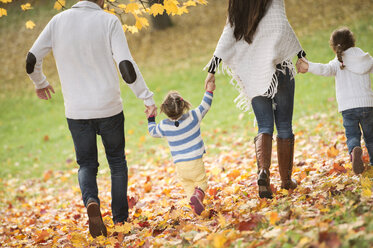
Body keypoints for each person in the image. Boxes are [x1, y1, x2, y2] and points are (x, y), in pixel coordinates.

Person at [26, 0, 157, 238]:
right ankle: (120, 221)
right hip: (109, 107)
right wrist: (146, 97)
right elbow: (126, 66)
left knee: (86, 164)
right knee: (117, 162)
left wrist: (40, 82)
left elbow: (32, 58)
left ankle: (91, 202)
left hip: (77, 111)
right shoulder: (108, 21)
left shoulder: (57, 22)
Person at [204, 0, 306, 199]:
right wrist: (300, 54)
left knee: (264, 125)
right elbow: (281, 25)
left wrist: (212, 69)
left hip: (253, 72)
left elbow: (227, 34)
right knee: (284, 125)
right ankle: (286, 181)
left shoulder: (237, 4)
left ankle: (263, 175)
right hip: (280, 68)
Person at [297, 27, 373, 174]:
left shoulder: (338, 61)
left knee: (352, 135)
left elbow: (324, 69)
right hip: (368, 105)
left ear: (334, 46)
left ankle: (354, 152)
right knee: (371, 136)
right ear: (353, 41)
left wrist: (308, 66)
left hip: (348, 107)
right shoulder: (365, 58)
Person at [146, 81, 215, 215]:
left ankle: (195, 208)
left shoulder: (164, 126)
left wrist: (151, 116)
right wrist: (209, 90)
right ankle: (198, 196)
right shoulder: (194, 116)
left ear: (165, 110)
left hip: (181, 166)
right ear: (183, 105)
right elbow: (205, 106)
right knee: (202, 182)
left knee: (188, 186)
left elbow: (152, 131)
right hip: (195, 162)